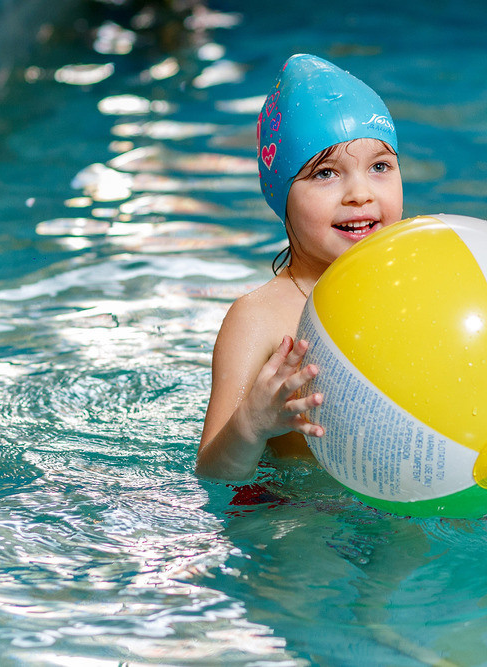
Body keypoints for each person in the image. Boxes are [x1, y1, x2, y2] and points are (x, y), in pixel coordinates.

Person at [196, 54, 403, 481]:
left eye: (380, 166)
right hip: (294, 507)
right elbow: (212, 473)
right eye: (326, 173)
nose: (360, 193)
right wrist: (251, 424)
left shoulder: (415, 287)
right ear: (281, 194)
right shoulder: (258, 319)